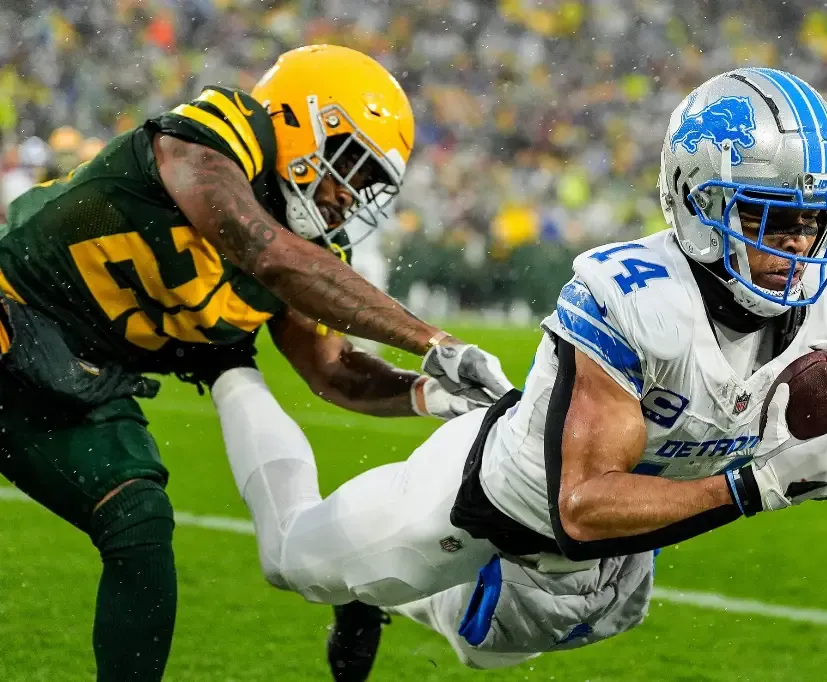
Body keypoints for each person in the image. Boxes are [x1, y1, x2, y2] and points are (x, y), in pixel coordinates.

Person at [210, 68, 827, 680]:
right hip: (489, 498)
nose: (798, 246)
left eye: (813, 220)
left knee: (484, 647)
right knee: (291, 559)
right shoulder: (636, 297)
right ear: (697, 202)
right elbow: (579, 508)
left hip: (610, 546)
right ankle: (227, 368)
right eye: (768, 217)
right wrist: (759, 485)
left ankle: (385, 596)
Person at [0, 44, 512, 682]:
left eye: (368, 183)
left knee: (140, 523)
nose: (349, 195)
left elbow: (331, 370)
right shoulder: (222, 131)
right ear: (302, 121)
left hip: (84, 377)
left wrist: (430, 392)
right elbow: (264, 251)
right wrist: (434, 342)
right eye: (352, 164)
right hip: (12, 309)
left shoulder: (311, 246)